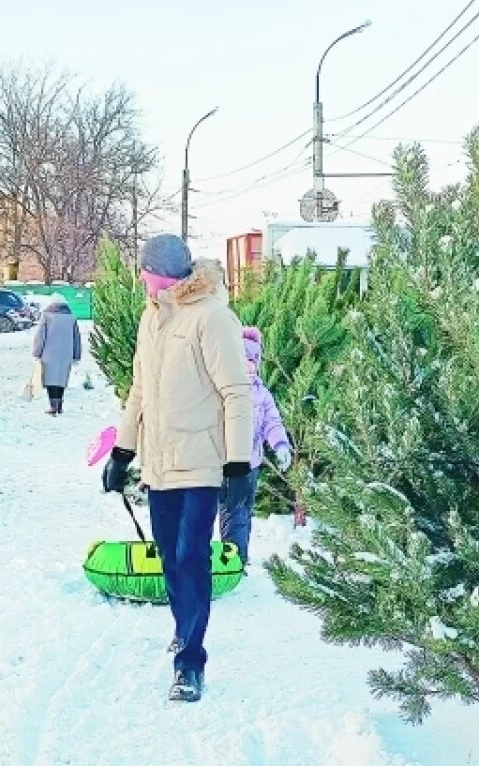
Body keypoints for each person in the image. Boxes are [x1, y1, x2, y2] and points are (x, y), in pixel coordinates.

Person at [102, 234, 252, 703]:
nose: (141, 279)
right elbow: (139, 391)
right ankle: (184, 625)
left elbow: (236, 393)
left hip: (203, 462)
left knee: (191, 556)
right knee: (169, 556)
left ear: (159, 272)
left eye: (144, 271)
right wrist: (122, 452)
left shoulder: (211, 317)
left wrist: (238, 464)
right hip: (160, 462)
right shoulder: (152, 317)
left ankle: (190, 661)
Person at [219, 326, 291, 566]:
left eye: (253, 360)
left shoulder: (262, 394)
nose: (248, 365)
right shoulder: (223, 389)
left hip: (251, 463)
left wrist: (280, 444)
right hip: (226, 462)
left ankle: (238, 558)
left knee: (242, 511)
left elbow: (272, 422)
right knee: (229, 511)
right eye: (243, 359)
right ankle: (224, 560)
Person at [32, 294, 82, 416]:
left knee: (50, 380)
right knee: (61, 379)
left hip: (49, 353)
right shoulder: (71, 317)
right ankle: (59, 405)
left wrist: (37, 352)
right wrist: (76, 355)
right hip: (66, 353)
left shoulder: (46, 316)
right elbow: (76, 338)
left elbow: (40, 337)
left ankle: (53, 406)